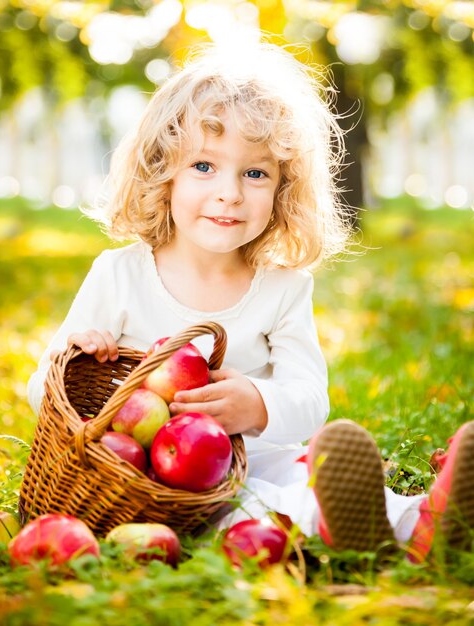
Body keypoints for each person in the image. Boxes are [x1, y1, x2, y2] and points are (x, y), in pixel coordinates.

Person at [27, 41, 473, 562]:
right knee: (250, 509)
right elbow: (42, 391)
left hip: (258, 454)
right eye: (203, 166)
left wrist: (260, 406)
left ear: (284, 190)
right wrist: (78, 355)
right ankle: (339, 530)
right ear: (162, 172)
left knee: (310, 470)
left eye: (255, 173)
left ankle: (420, 520)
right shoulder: (119, 275)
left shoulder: (284, 288)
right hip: (157, 480)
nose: (230, 193)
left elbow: (309, 400)